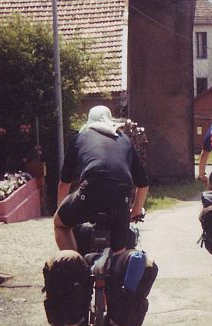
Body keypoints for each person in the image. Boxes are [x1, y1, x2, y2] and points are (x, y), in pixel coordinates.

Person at [54, 105, 149, 254]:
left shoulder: (80, 138)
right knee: (119, 253)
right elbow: (143, 184)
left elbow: (65, 182)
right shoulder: (125, 140)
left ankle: (75, 265)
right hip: (122, 192)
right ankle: (120, 265)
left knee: (60, 224)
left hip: (91, 186)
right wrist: (135, 210)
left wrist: (62, 210)